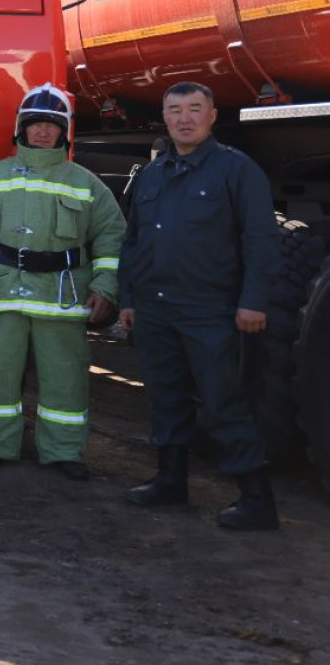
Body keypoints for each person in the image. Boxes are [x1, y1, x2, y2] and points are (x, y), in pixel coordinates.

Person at [120, 81, 283, 530]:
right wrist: (129, 300)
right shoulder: (152, 174)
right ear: (165, 117)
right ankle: (171, 482)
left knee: (223, 400)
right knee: (166, 396)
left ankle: (256, 499)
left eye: (195, 108)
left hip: (209, 308)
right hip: (155, 307)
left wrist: (253, 302)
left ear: (212, 116)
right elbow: (133, 242)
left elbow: (261, 241)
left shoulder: (236, 170)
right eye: (175, 110)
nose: (184, 118)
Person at [0, 83, 125, 479]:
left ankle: (64, 453)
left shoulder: (87, 184)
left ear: (65, 132)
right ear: (21, 129)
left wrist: (105, 286)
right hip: (2, 293)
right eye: (34, 124)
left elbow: (112, 239)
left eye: (52, 125)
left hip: (62, 298)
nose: (43, 132)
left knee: (67, 378)